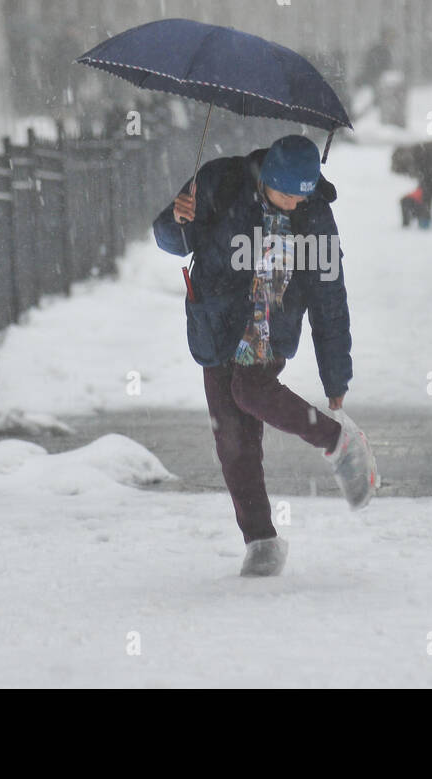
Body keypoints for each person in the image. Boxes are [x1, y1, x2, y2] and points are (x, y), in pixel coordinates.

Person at [153, 135, 377, 578]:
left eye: (302, 194)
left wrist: (336, 378)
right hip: (215, 321)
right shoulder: (220, 182)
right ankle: (260, 542)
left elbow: (329, 298)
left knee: (250, 390)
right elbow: (174, 240)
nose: (294, 203)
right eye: (286, 194)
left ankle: (337, 441)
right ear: (266, 182)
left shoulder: (315, 219)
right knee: (232, 439)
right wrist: (175, 220)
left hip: (271, 320)